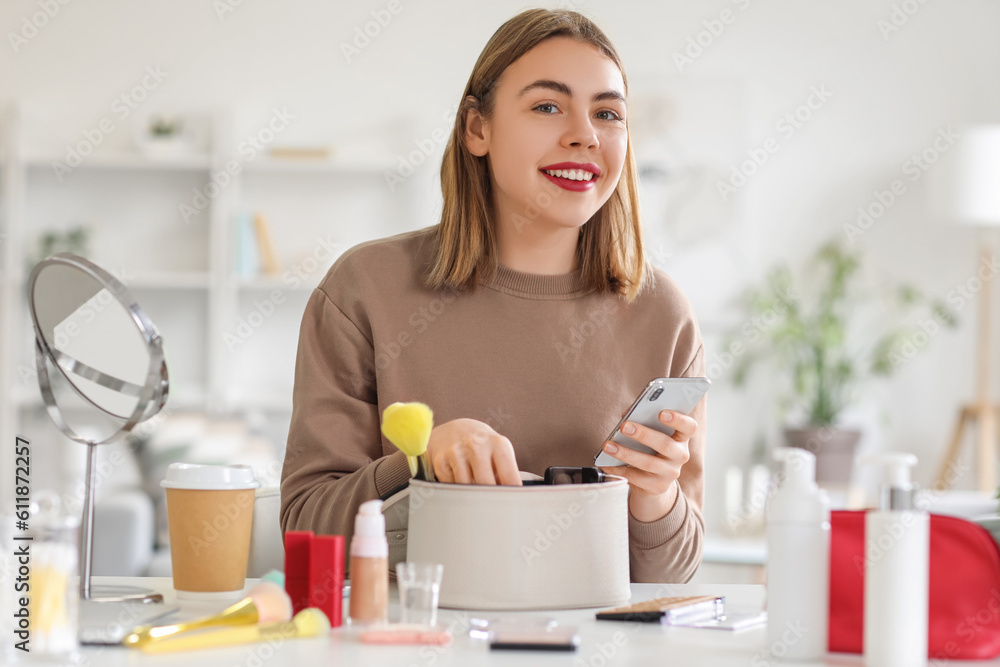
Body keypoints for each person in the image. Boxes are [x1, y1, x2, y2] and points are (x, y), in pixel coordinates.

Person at [280, 8, 706, 583]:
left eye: (607, 113)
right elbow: (305, 530)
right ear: (477, 129)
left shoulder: (664, 315)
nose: (585, 133)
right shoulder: (364, 290)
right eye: (547, 106)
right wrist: (418, 463)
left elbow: (672, 576)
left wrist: (655, 501)